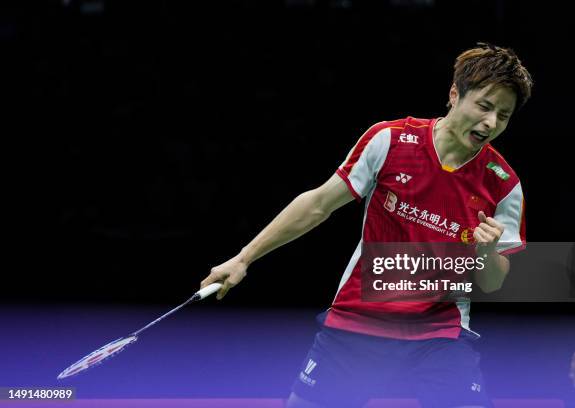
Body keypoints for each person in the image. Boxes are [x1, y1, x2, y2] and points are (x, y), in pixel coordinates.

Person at [201, 43, 533, 408]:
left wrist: (485, 252)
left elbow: (493, 281)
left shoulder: (502, 183)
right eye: (484, 106)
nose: (490, 123)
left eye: (503, 116)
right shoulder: (391, 140)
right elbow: (317, 205)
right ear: (455, 95)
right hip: (359, 319)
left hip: (440, 332)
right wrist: (244, 258)